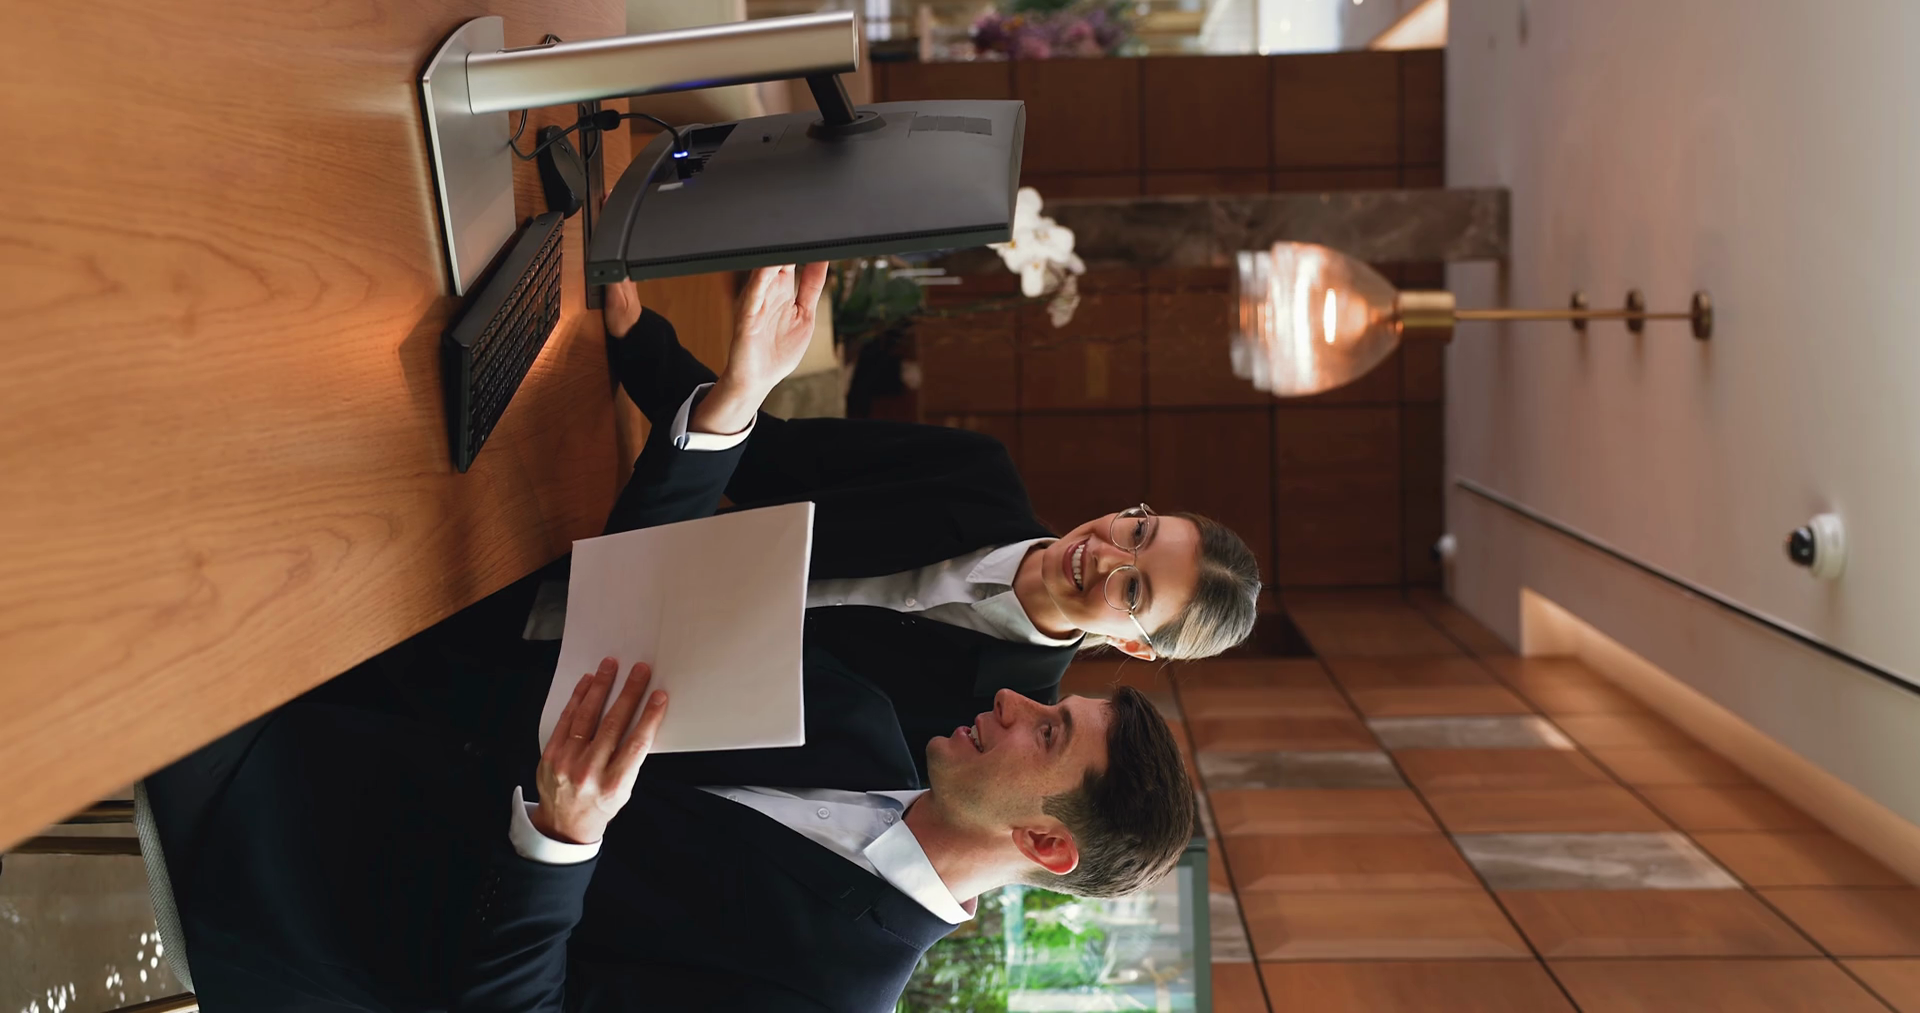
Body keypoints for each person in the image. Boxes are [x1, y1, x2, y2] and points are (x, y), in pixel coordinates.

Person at [144, 265, 1200, 1012]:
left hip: (267, 890)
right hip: (344, 692)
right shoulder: (858, 719)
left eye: (1048, 731)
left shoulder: (831, 993)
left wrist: (563, 838)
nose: (1016, 702)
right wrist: (733, 399)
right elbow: (635, 604)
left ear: (1046, 846)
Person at [590, 272, 1264, 772]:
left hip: (611, 709)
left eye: (1135, 590)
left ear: (1135, 647)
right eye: (1138, 532)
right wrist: (639, 340)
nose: (1108, 554)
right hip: (617, 553)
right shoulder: (975, 471)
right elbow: (773, 459)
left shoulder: (994, 726)